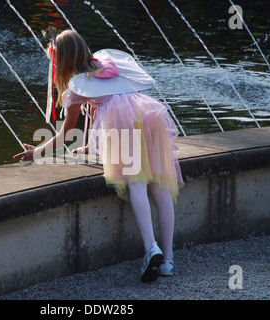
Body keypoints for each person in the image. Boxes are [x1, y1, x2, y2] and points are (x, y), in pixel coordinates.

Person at [13, 30, 184, 282]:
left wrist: (35, 153)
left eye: (54, 60)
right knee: (159, 186)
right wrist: (91, 147)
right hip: (150, 116)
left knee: (137, 183)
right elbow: (110, 100)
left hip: (123, 124)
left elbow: (65, 133)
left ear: (61, 60)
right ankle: (168, 260)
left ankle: (151, 248)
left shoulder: (75, 87)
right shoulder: (106, 63)